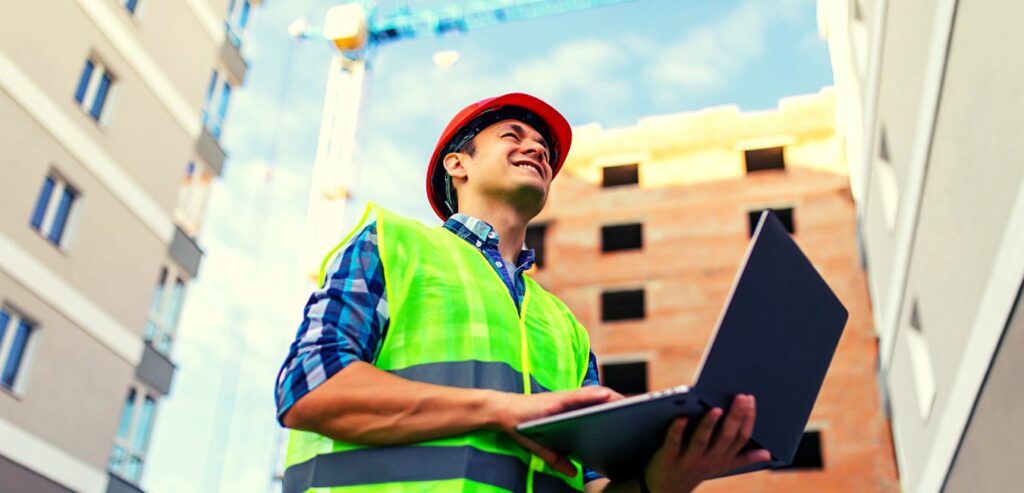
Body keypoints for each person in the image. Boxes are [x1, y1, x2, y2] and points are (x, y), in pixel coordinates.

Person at [275, 93, 770, 493]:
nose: (536, 149)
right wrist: (501, 409)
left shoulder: (565, 328)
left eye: (545, 150)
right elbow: (309, 387)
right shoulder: (393, 245)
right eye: (512, 136)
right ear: (457, 164)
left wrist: (664, 481)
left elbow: (589, 484)